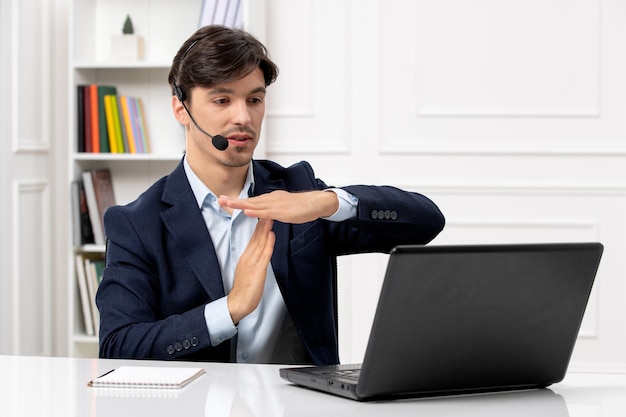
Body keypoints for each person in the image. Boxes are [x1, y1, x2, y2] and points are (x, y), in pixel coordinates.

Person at [96, 25, 445, 366]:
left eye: (254, 99)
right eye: (222, 99)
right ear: (180, 110)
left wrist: (327, 201)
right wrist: (229, 309)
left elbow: (425, 223)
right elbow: (118, 346)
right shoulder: (136, 223)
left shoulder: (298, 192)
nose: (243, 117)